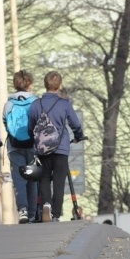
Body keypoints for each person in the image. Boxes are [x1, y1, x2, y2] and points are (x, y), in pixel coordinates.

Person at [27, 71, 85, 223]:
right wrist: (78, 136)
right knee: (59, 180)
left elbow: (30, 127)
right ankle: (56, 214)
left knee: (44, 177)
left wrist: (35, 140)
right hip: (60, 148)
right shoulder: (64, 104)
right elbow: (75, 124)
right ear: (59, 86)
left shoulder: (35, 105)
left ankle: (46, 204)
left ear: (45, 85)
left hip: (42, 149)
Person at [3, 70, 38, 224]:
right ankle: (31, 213)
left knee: (18, 179)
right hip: (32, 145)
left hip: (14, 146)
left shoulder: (8, 104)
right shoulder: (35, 102)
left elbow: (6, 125)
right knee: (32, 178)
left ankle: (22, 210)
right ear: (29, 83)